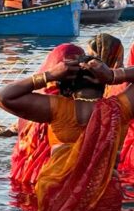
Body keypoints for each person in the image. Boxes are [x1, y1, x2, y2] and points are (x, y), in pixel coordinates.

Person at [0, 51, 134, 211]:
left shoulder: (56, 108)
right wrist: (112, 75)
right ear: (103, 84)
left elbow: (2, 96)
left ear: (65, 88)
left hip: (59, 191)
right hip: (102, 192)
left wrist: (49, 75)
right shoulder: (118, 109)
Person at [9, 43, 83, 190]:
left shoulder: (33, 101)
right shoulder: (83, 105)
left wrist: (48, 76)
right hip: (64, 180)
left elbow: (2, 96)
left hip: (29, 179)